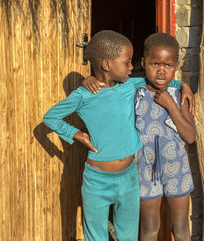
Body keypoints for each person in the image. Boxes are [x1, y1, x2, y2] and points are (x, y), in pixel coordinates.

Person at [43, 30, 190, 241]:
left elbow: (164, 82)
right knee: (96, 236)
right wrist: (77, 135)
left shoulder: (129, 86)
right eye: (127, 62)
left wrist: (185, 86)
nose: (132, 67)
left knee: (128, 235)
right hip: (96, 181)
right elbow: (51, 117)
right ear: (106, 65)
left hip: (129, 177)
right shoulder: (84, 94)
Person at [135, 33, 195, 241]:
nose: (161, 70)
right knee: (149, 228)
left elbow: (190, 137)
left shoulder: (180, 97)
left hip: (177, 170)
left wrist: (171, 105)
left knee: (180, 228)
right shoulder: (136, 94)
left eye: (168, 65)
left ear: (176, 66)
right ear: (143, 63)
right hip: (145, 171)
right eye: (155, 63)